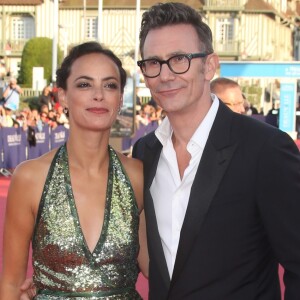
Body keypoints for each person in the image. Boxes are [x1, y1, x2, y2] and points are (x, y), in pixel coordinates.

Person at [132, 2, 300, 299]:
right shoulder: (145, 151)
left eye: (179, 59)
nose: (165, 74)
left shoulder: (265, 149)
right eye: (153, 62)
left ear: (209, 65)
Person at [0, 41, 148, 299]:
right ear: (63, 96)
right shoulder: (30, 177)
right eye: (84, 84)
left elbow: (157, 268)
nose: (98, 94)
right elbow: (11, 284)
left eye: (110, 85)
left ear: (120, 98)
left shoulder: (138, 175)